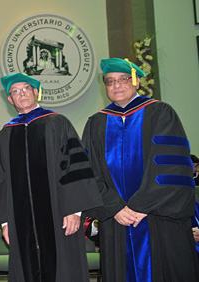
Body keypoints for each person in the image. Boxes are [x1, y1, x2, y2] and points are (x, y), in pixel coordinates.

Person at [82, 58, 199, 281]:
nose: (116, 85)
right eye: (110, 81)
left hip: (157, 218)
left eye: (123, 79)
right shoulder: (96, 123)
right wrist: (114, 207)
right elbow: (89, 174)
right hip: (117, 220)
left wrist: (140, 207)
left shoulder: (160, 113)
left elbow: (172, 168)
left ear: (136, 82)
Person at [0, 73, 103, 281]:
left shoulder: (57, 123)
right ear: (10, 100)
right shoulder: (5, 134)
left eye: (25, 89)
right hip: (20, 221)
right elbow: (1, 181)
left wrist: (74, 211)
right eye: (15, 91)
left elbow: (75, 166)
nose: (21, 94)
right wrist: (5, 222)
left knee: (63, 269)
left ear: (36, 92)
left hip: (60, 215)